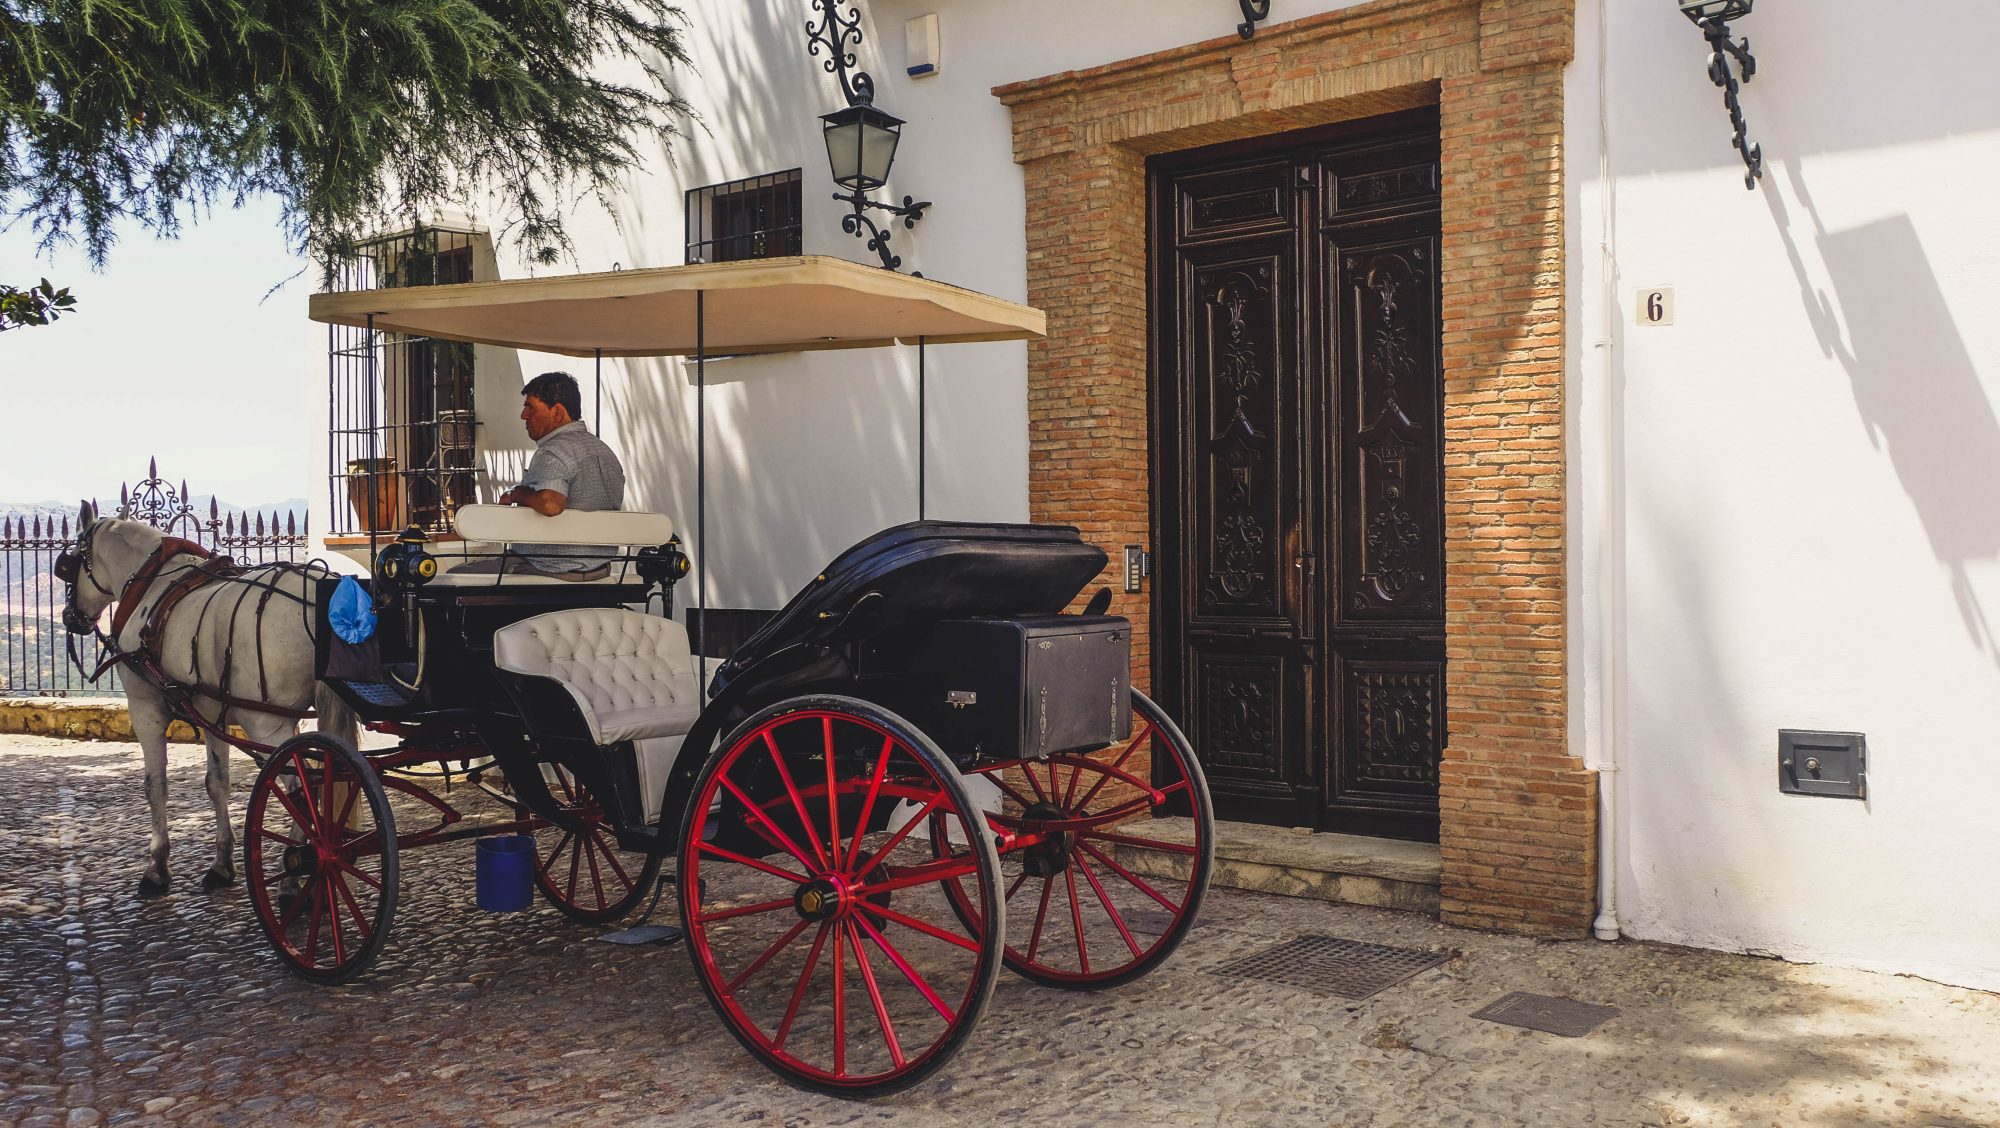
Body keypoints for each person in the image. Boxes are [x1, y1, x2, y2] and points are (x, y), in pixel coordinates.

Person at [457, 371, 627, 580]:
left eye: (530, 407)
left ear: (557, 412)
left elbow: (550, 504)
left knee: (454, 576)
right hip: (599, 571)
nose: (524, 415)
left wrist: (518, 494)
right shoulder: (605, 451)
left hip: (547, 569)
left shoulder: (553, 450)